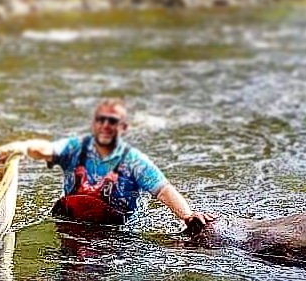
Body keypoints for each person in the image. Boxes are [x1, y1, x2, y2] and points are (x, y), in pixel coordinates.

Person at [26, 98, 208, 230]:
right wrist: (28, 149)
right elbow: (48, 149)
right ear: (94, 124)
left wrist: (187, 216)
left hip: (116, 233)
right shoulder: (74, 148)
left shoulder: (133, 161)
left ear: (123, 127)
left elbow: (163, 190)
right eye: (100, 120)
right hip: (73, 224)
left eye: (112, 121)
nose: (105, 125)